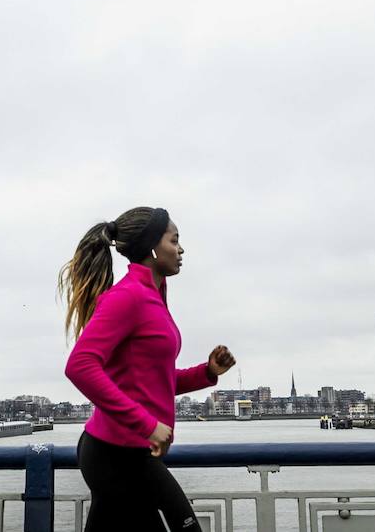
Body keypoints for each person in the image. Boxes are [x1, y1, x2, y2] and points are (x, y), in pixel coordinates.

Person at [59, 206, 237, 531]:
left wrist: (207, 372)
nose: (181, 249)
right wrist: (147, 425)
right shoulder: (128, 297)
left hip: (128, 451)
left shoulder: (153, 299)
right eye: (174, 240)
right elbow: (80, 365)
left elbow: (153, 380)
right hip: (115, 453)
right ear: (153, 248)